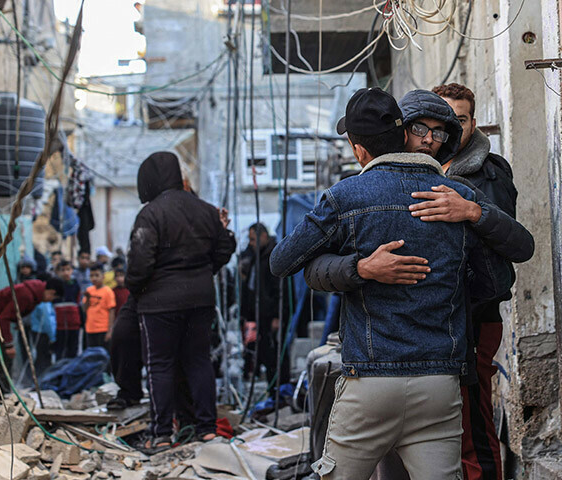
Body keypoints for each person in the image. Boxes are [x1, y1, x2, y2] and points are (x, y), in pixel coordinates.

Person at [269, 88, 513, 480]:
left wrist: (359, 268)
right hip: (439, 379)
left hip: (371, 378)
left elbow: (282, 262)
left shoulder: (344, 197)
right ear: (404, 134)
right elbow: (497, 278)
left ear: (357, 149)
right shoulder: (457, 194)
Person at [126, 151, 236, 453]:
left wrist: (136, 288)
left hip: (159, 304)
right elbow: (224, 249)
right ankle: (207, 429)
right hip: (200, 300)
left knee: (160, 366)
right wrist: (203, 273)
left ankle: (161, 434)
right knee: (199, 362)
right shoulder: (206, 211)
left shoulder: (150, 214)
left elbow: (139, 263)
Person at [0, 278, 64, 400]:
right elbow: (4, 318)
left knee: (3, 358)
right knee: (2, 357)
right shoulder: (26, 295)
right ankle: (0, 395)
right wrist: (9, 345)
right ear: (51, 292)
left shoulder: (34, 294)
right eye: (53, 298)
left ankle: (3, 392)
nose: (50, 301)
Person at [239, 223, 290, 397]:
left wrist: (277, 315)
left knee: (275, 355)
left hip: (271, 316)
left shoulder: (273, 257)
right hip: (260, 315)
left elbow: (280, 289)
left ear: (263, 237)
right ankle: (273, 391)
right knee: (264, 354)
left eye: (253, 239)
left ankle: (280, 392)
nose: (250, 243)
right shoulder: (257, 256)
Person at [82, 264, 116, 349]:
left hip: (103, 329)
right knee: (92, 355)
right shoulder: (89, 290)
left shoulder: (108, 291)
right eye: (91, 276)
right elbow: (84, 309)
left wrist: (110, 330)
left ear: (103, 276)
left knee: (103, 355)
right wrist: (88, 298)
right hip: (90, 328)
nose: (94, 278)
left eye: (97, 275)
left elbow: (111, 311)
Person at [53, 260, 82, 360]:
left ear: (72, 270)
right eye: (63, 270)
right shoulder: (55, 285)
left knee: (73, 350)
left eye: (68, 269)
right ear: (58, 272)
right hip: (59, 324)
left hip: (73, 323)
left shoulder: (75, 285)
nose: (66, 272)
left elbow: (78, 302)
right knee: (60, 350)